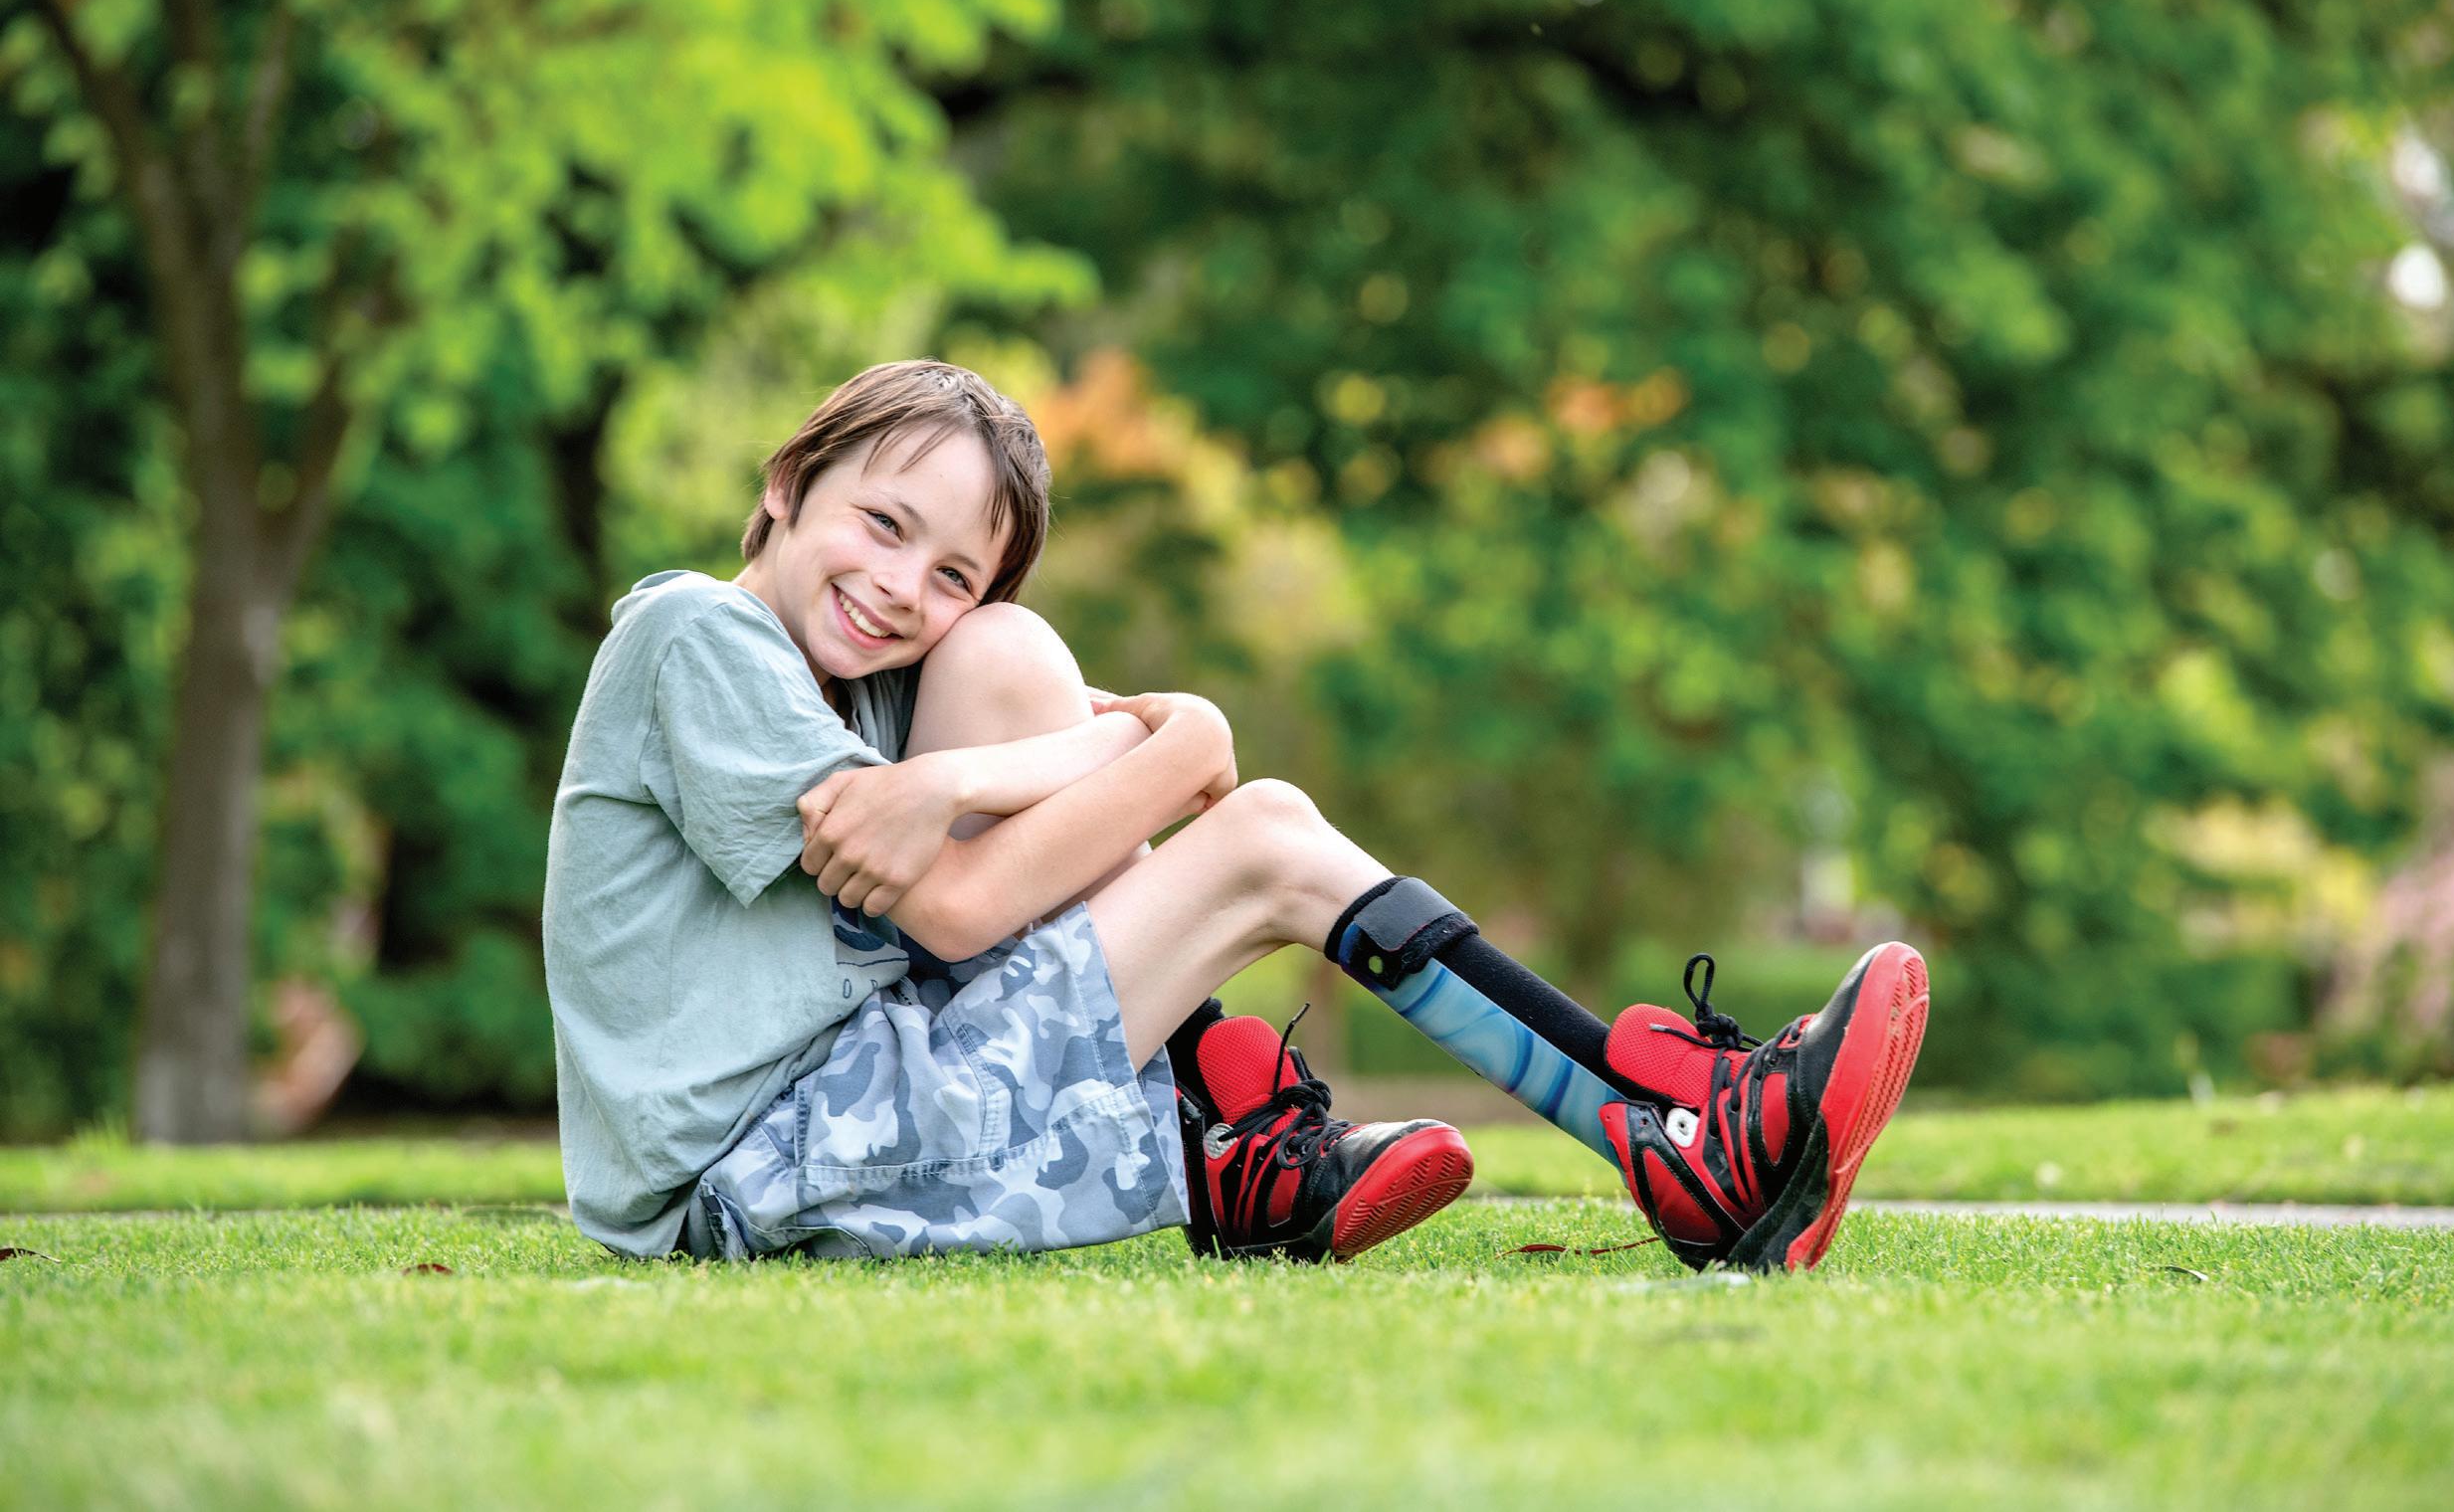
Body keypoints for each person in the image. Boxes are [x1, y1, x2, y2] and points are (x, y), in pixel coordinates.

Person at [545, 358, 1930, 1272]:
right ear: (787, 487)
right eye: (883, 524)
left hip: (854, 1127)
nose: (904, 587)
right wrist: (1185, 733)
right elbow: (980, 900)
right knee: (1265, 835)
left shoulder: (884, 683)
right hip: (758, 1175)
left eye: (954, 571)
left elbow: (1120, 751)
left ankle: (1226, 1125)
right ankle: (1677, 1138)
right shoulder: (693, 633)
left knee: (1013, 663)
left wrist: (963, 774)